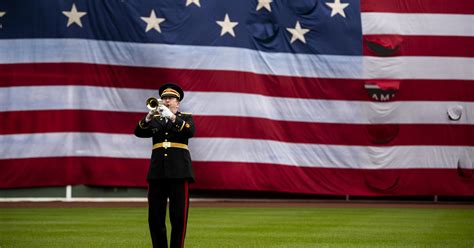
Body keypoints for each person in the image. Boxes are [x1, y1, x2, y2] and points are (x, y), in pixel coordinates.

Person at [134, 83, 195, 248]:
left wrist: (173, 117)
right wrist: (147, 118)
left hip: (179, 172)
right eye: (165, 98)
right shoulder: (155, 120)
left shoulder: (186, 118)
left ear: (178, 102)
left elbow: (190, 132)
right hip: (157, 172)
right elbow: (138, 132)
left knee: (178, 218)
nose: (167, 101)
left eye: (171, 98)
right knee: (155, 217)